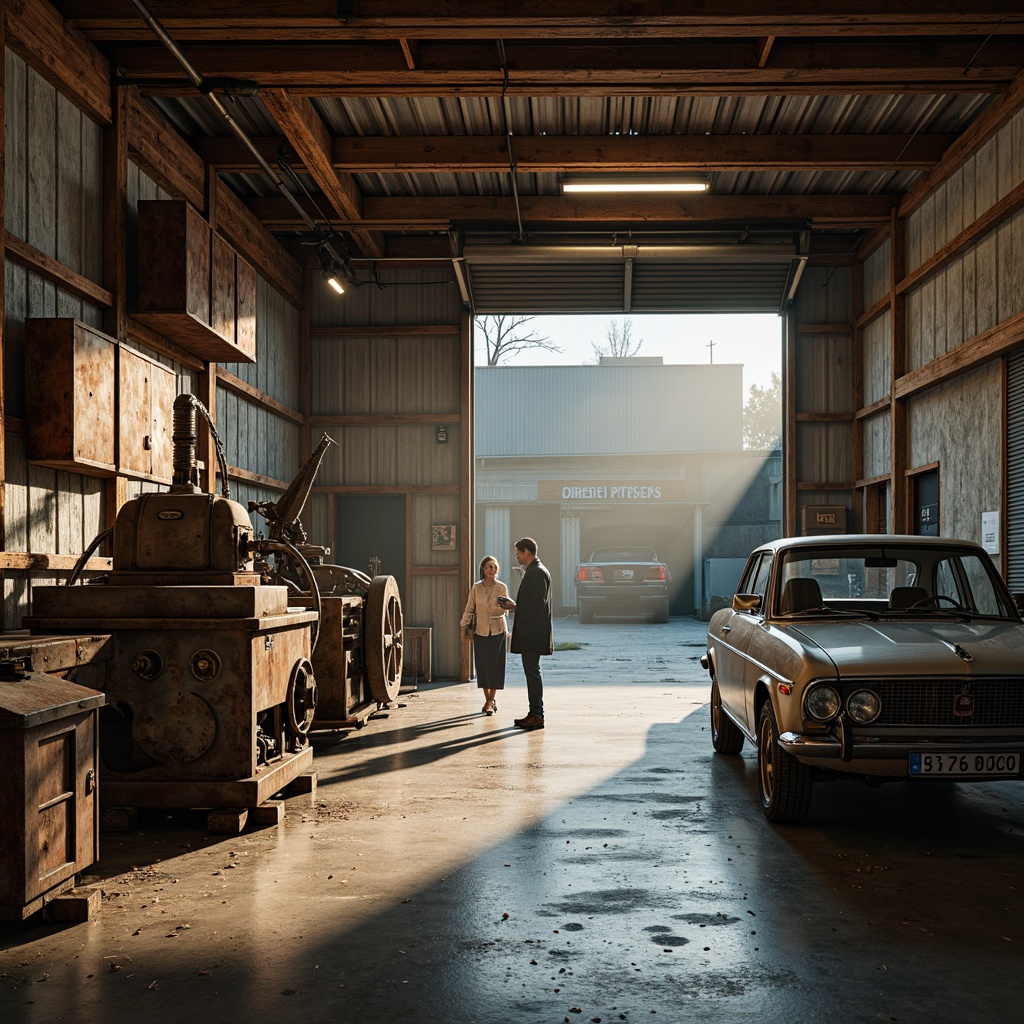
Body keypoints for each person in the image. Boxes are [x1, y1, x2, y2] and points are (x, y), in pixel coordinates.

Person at [499, 536, 553, 731]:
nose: (517, 558)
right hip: (533, 632)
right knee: (532, 671)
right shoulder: (536, 571)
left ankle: (537, 714)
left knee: (532, 672)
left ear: (527, 552)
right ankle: (535, 713)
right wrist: (516, 607)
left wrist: (515, 607)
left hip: (533, 633)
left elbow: (536, 606)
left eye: (518, 554)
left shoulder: (536, 573)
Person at [460, 555, 509, 715]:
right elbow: (469, 608)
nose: (492, 570)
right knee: (483, 666)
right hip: (480, 631)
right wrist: (464, 626)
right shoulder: (476, 588)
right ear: (483, 569)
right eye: (489, 566)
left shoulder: (502, 587)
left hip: (498, 630)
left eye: (495, 567)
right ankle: (488, 698)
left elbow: (505, 610)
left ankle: (489, 700)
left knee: (496, 666)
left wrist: (501, 607)